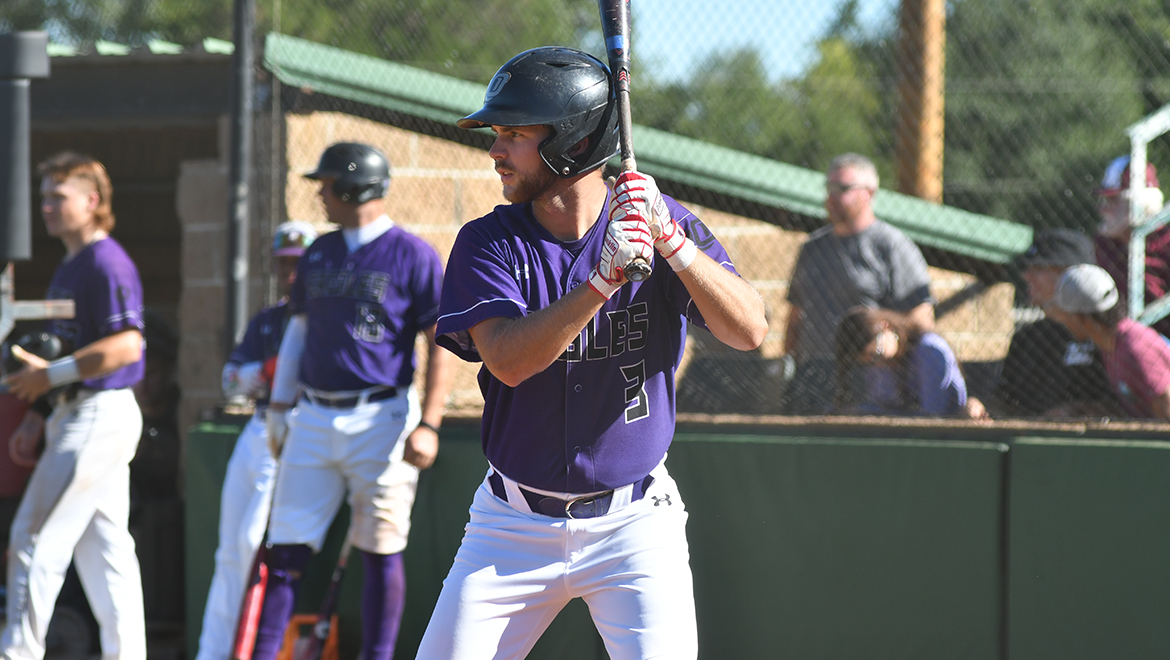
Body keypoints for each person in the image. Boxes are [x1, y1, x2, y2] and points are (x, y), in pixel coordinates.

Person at [417, 47, 769, 659]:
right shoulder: (488, 242)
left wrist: (674, 246)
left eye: (514, 135)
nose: (495, 150)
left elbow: (749, 330)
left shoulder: (661, 222)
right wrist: (599, 285)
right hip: (512, 526)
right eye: (498, 134)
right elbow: (508, 360)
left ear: (573, 143)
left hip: (636, 527)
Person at [250, 143, 453, 660]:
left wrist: (429, 422)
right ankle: (269, 652)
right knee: (286, 551)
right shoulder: (319, 250)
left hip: (382, 417)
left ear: (352, 186)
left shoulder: (413, 254)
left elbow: (441, 343)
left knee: (381, 549)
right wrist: (279, 408)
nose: (320, 193)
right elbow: (297, 334)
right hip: (312, 415)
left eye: (326, 183)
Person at [2, 152, 147, 660]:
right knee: (105, 553)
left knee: (33, 536)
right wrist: (41, 412)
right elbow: (69, 352)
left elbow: (127, 346)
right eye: (43, 197)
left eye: (58, 196)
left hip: (99, 411)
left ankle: (17, 653)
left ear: (92, 201)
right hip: (78, 410)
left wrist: (48, 379)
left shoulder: (106, 261)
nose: (47, 206)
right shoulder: (72, 263)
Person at [194, 221, 316, 660]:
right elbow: (230, 381)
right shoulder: (267, 319)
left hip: (298, 429)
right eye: (283, 263)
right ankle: (212, 651)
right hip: (256, 426)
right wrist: (268, 370)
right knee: (231, 549)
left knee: (250, 543)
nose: (289, 273)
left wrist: (267, 374)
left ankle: (243, 649)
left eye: (297, 265)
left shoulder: (321, 316)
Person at [782, 153, 935, 415]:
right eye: (829, 188)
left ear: (869, 193)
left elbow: (921, 321)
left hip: (867, 379)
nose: (831, 196)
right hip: (813, 376)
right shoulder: (812, 248)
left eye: (841, 189)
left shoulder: (892, 246)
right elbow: (795, 318)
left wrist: (884, 352)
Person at [996, 228, 1114, 417]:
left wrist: (1077, 411)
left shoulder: (1107, 336)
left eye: (1040, 268)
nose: (1027, 276)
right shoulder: (1027, 338)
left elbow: (1126, 406)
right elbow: (1004, 402)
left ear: (1073, 275)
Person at [1049, 264, 1170, 419]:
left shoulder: (1135, 349)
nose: (1062, 322)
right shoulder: (1112, 345)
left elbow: (1167, 413)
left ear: (1079, 317)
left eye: (1065, 316)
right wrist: (1082, 410)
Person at [833, 307, 978, 417]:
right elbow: (882, 406)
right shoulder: (883, 363)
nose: (876, 364)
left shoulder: (930, 350)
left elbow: (933, 415)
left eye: (876, 354)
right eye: (868, 363)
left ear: (886, 327)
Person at [1092, 155, 1170, 338]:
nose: (1101, 210)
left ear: (1140, 203)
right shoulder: (1105, 246)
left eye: (1112, 201)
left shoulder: (1166, 241)